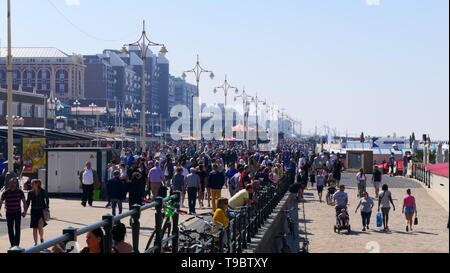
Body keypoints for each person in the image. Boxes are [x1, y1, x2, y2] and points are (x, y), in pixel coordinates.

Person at [0, 177, 27, 247]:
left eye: (14, 183)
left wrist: (25, 211)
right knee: (10, 229)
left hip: (17, 212)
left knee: (17, 229)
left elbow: (24, 202)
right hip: (9, 213)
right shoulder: (6, 192)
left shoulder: (20, 192)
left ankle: (17, 245)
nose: (13, 184)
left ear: (16, 183)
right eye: (11, 183)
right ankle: (12, 244)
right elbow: (1, 201)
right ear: (9, 183)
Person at [24, 179, 49, 245]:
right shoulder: (30, 193)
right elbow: (28, 202)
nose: (31, 185)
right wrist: (25, 211)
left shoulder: (43, 191)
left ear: (37, 184)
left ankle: (41, 237)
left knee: (40, 226)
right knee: (34, 228)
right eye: (31, 184)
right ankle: (35, 243)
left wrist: (47, 207)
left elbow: (47, 199)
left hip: (41, 210)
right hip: (33, 211)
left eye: (32, 184)